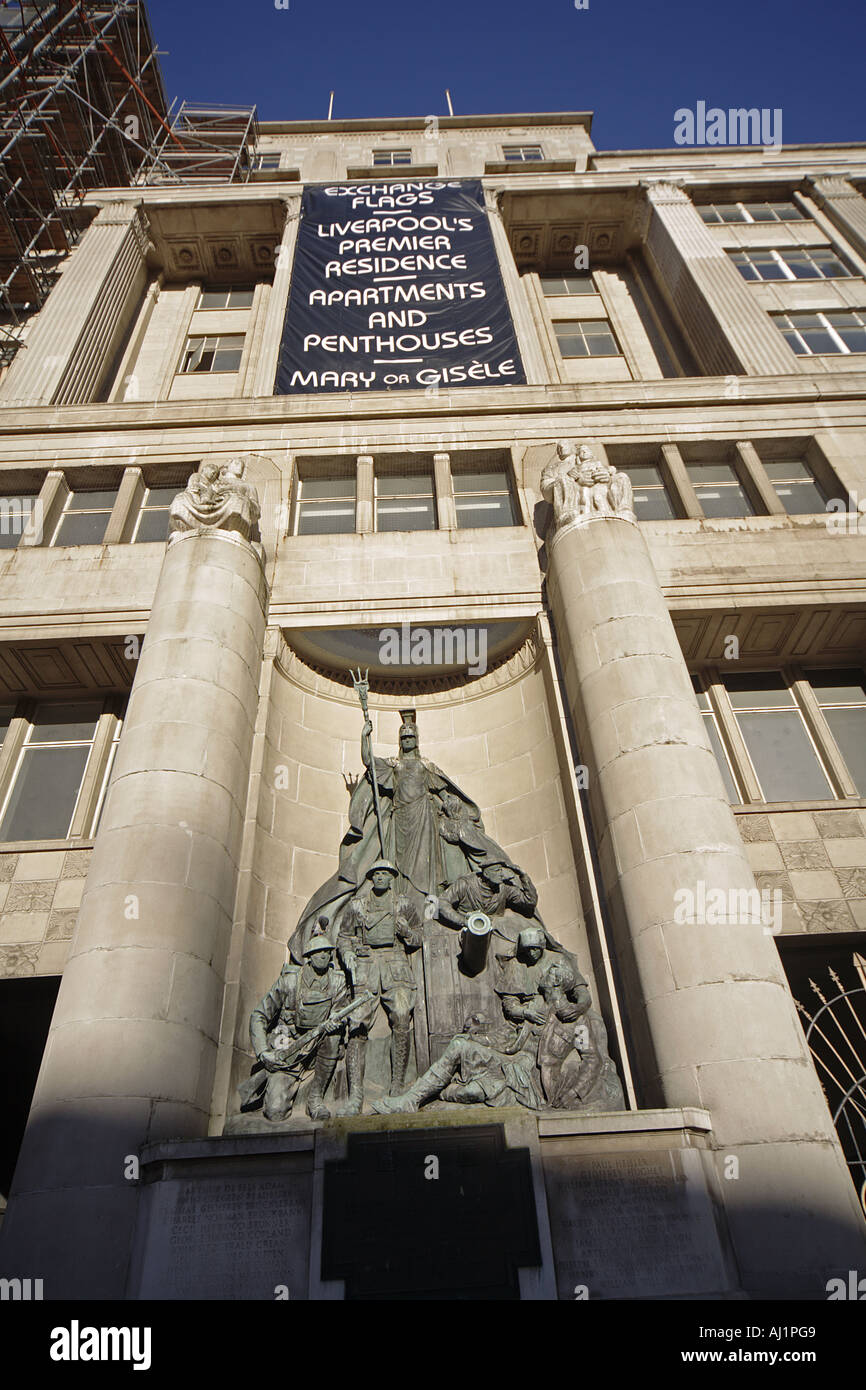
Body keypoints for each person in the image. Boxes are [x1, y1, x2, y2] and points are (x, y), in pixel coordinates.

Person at [336, 860, 422, 1112]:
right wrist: (348, 953)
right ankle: (355, 1096)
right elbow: (344, 936)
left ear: (392, 878)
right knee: (357, 1022)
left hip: (395, 962)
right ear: (371, 878)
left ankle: (397, 1086)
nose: (381, 878)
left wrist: (407, 932)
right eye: (377, 874)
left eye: (386, 874)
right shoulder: (357, 906)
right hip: (365, 962)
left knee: (402, 1015)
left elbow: (419, 935)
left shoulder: (403, 904)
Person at [246, 921, 348, 1121]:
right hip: (288, 1047)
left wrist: (334, 1023)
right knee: (275, 1112)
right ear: (309, 957)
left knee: (333, 1037)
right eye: (319, 952)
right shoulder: (289, 981)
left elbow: (339, 1012)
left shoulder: (337, 981)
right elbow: (259, 1015)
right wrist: (263, 1052)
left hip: (318, 1045)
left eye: (327, 952)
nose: (324, 955)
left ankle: (315, 1098)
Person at [372, 1011, 543, 1114]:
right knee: (460, 1046)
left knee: (462, 1054)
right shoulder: (531, 1007)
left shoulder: (559, 1010)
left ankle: (423, 1096)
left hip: (515, 1062)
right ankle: (412, 1099)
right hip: (505, 1056)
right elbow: (511, 1013)